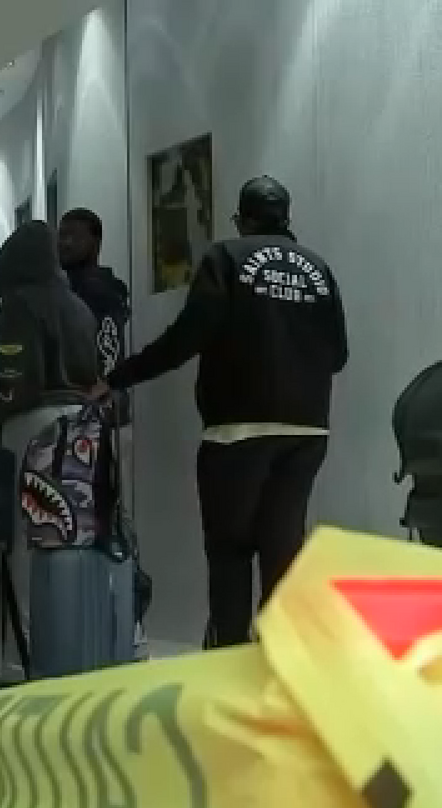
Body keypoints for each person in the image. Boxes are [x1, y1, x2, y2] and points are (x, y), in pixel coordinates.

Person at [94, 176, 348, 648]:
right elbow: (338, 355)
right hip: (307, 430)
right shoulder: (318, 268)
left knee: (230, 552)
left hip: (237, 429)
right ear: (286, 218)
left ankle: (228, 662)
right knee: (282, 552)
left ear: (243, 218)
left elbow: (185, 339)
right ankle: (277, 665)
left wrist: (117, 376)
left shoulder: (227, 258)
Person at [0, 219, 101, 621]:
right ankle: (69, 643)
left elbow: (14, 387)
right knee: (69, 538)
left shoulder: (21, 303)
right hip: (81, 430)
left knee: (26, 541)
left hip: (35, 433)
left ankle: (25, 653)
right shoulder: (80, 307)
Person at [59, 209, 133, 392]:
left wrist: (105, 391)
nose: (65, 243)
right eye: (62, 236)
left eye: (75, 237)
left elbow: (109, 351)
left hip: (92, 404)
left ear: (95, 243)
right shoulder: (62, 287)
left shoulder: (100, 292)